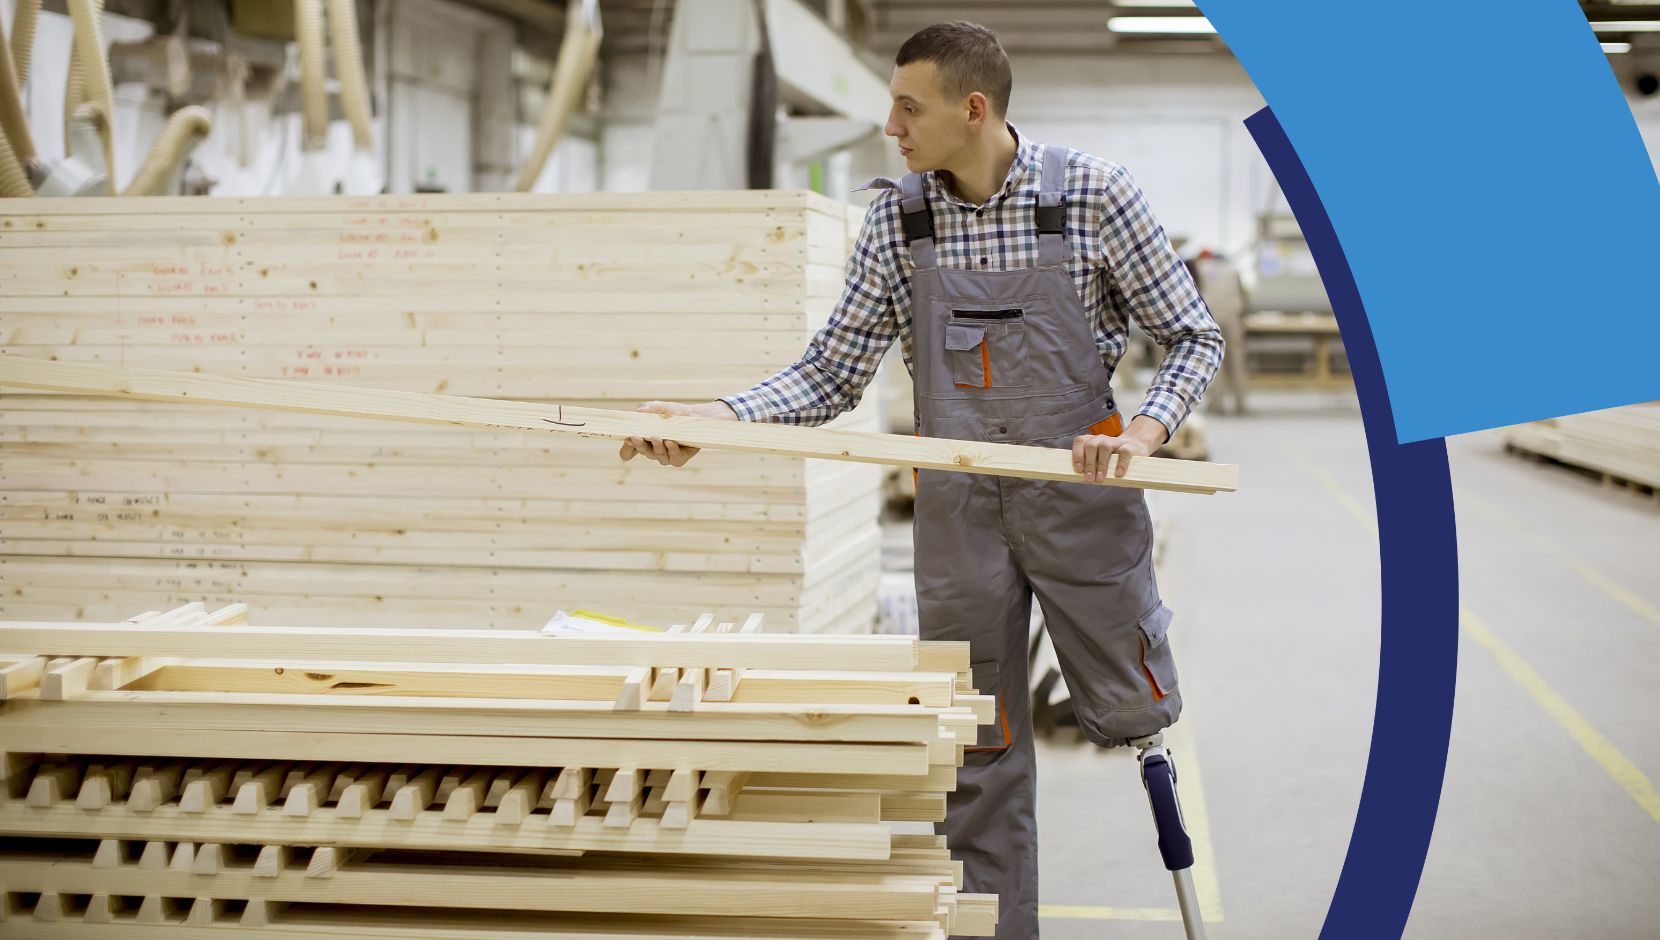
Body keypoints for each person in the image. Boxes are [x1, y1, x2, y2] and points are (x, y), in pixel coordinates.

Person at [620, 21, 1223, 939]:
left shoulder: (1096, 196)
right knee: (977, 748)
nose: (890, 126)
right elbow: (831, 373)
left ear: (970, 109)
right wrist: (719, 419)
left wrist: (1143, 432)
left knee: (1135, 717)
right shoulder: (899, 221)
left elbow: (1193, 335)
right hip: (961, 513)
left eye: (909, 106)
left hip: (1081, 497)